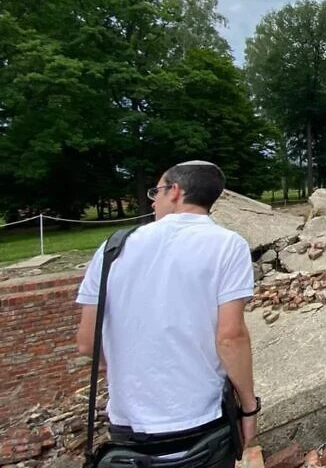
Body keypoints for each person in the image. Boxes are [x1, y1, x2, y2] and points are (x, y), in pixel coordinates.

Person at [75, 160, 259, 467]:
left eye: (156, 191)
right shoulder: (228, 245)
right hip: (199, 426)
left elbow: (86, 342)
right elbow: (230, 337)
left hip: (128, 429)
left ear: (175, 191)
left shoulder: (112, 248)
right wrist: (249, 407)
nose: (152, 200)